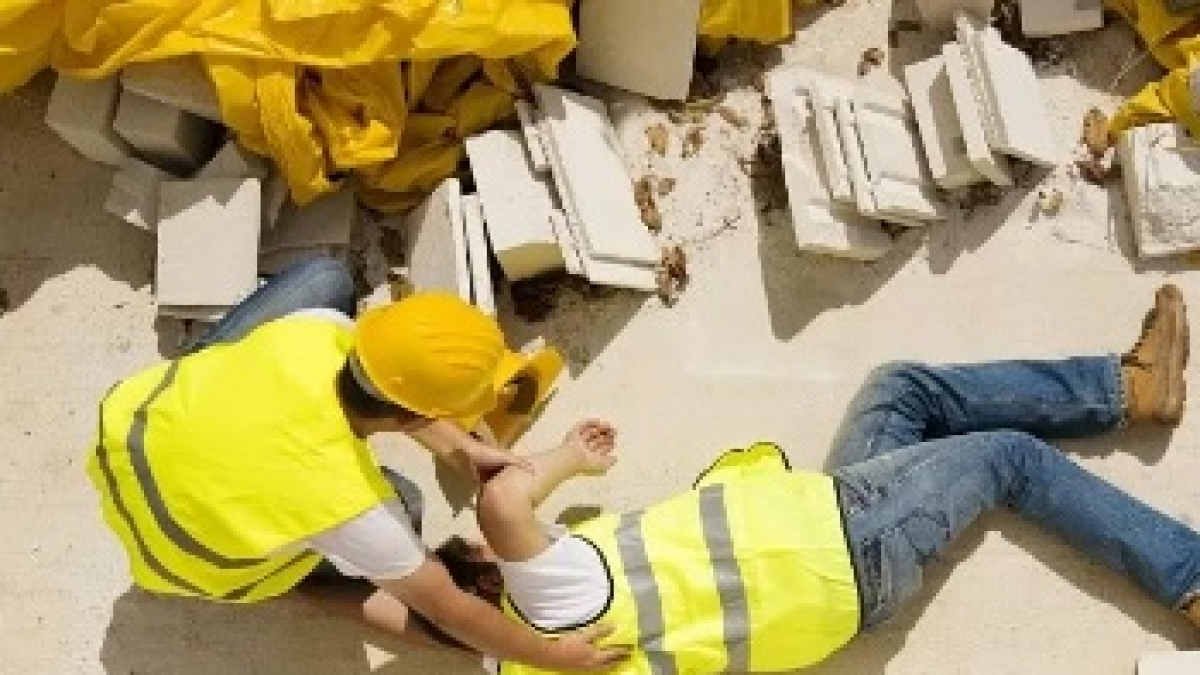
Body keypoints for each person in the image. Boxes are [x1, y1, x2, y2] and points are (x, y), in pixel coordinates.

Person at [455, 284, 1199, 674]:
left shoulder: (534, 664)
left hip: (830, 574)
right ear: (492, 577)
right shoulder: (553, 599)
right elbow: (502, 500)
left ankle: (1129, 390)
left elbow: (423, 603)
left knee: (898, 391)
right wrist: (565, 459)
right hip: (842, 540)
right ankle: (1189, 577)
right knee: (1009, 457)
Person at [85, 256, 625, 672]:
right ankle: (297, 583)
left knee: (326, 278)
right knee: (407, 506)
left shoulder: (314, 330)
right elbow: (450, 610)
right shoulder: (353, 508)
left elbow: (389, 392)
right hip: (186, 558)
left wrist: (462, 450)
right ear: (414, 415)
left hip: (133, 433)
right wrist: (553, 656)